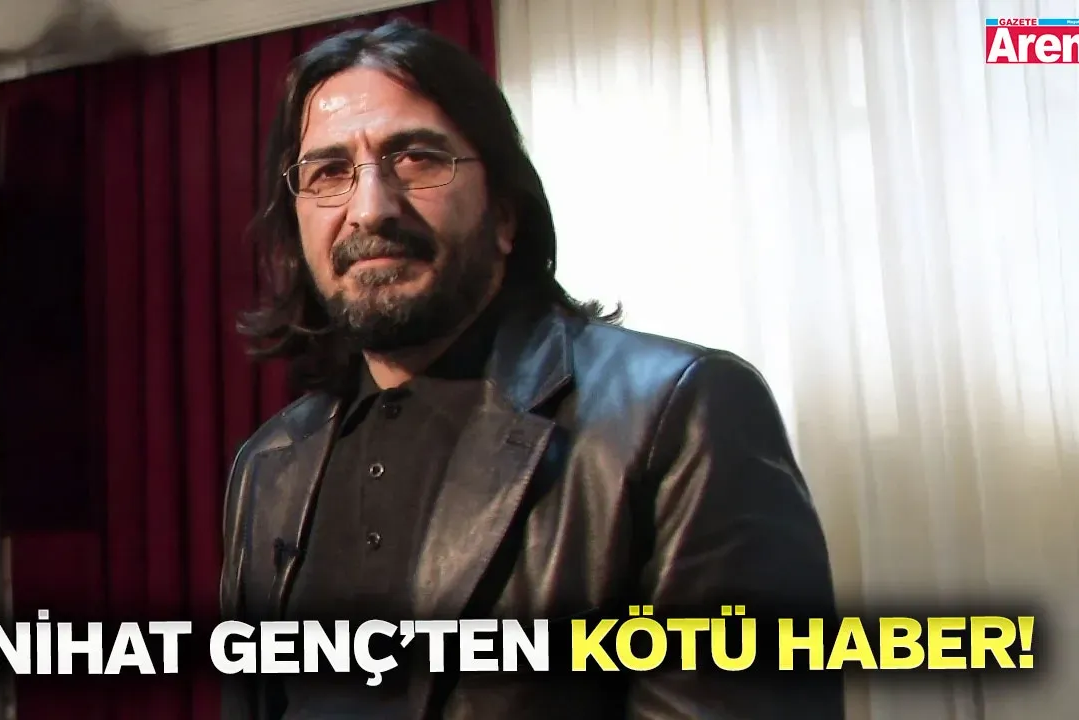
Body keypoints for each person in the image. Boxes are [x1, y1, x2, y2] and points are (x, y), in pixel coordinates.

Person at [220, 18, 842, 720]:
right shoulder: (268, 463)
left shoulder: (683, 414)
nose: (370, 208)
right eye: (330, 173)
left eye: (417, 159)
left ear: (505, 213)